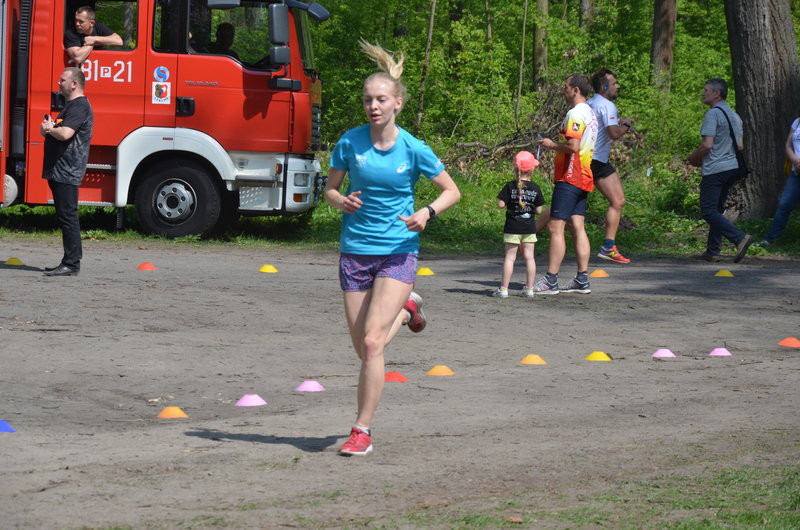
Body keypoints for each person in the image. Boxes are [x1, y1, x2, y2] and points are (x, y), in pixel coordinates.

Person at [324, 40, 461, 456]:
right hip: (355, 252)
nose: (373, 106)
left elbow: (452, 191)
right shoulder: (350, 143)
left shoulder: (413, 148)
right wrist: (341, 201)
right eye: (368, 100)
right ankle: (407, 312)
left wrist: (427, 212)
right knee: (365, 346)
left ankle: (361, 431)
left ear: (397, 103)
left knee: (371, 344)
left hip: (398, 250)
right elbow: (329, 189)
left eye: (381, 99)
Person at [533, 74, 598, 295]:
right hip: (584, 175)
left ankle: (551, 280)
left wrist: (551, 145)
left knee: (555, 226)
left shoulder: (576, 113)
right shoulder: (590, 112)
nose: (564, 90)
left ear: (576, 89)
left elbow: (573, 146)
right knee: (577, 226)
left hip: (571, 176)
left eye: (566, 87)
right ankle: (582, 279)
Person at [687, 78, 753, 263]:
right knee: (717, 209)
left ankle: (740, 238)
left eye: (706, 89)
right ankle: (712, 251)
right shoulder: (734, 116)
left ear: (717, 93)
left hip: (715, 169)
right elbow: (739, 146)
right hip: (732, 168)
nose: (703, 93)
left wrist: (693, 158)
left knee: (708, 211)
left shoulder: (713, 114)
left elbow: (707, 145)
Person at [40, 67, 94, 276]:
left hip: (68, 169)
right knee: (66, 216)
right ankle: (69, 261)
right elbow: (58, 130)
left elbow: (65, 134)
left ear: (74, 84)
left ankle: (71, 264)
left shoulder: (79, 106)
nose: (58, 83)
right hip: (60, 169)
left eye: (62, 80)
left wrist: (50, 129)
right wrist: (48, 127)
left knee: (68, 217)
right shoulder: (71, 106)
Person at [587, 68, 633, 264]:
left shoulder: (589, 103)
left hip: (594, 159)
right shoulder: (607, 105)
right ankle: (608, 246)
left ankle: (608, 245)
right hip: (594, 160)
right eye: (614, 83)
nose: (618, 86)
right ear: (604, 86)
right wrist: (626, 125)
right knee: (563, 206)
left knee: (619, 200)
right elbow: (614, 133)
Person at [492, 151, 545, 298]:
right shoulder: (535, 188)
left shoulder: (509, 186)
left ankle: (503, 289)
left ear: (516, 169)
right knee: (530, 258)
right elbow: (540, 211)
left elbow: (501, 204)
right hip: (529, 228)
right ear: (532, 169)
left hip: (512, 227)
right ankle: (529, 289)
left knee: (510, 258)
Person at [761, 119, 800, 245]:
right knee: (784, 204)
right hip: (796, 173)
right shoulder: (797, 122)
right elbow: (788, 144)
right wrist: (794, 159)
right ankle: (770, 239)